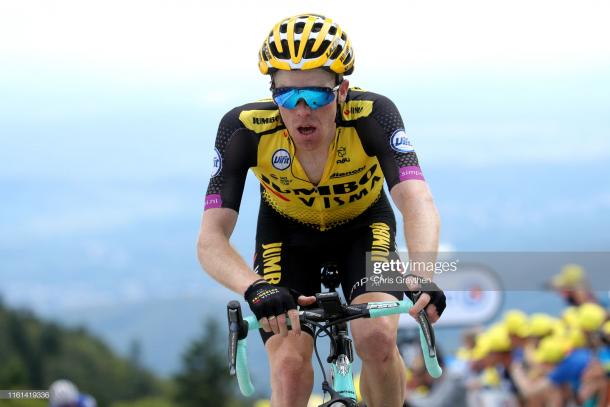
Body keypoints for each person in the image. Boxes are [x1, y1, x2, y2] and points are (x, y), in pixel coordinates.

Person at [197, 13, 446, 406]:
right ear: (271, 92)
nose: (300, 110)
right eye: (285, 96)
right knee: (289, 364)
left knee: (377, 339)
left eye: (315, 95)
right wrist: (255, 286)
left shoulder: (372, 115)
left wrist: (421, 276)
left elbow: (417, 202)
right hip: (286, 237)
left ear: (342, 90)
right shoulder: (243, 127)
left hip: (363, 228)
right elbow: (210, 239)